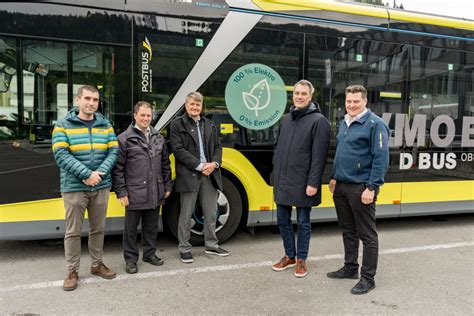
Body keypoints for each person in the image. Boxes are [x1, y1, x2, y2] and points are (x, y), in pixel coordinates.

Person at [52, 85, 119, 291]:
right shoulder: (62, 125)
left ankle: (97, 265)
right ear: (78, 100)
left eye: (95, 100)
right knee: (73, 231)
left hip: (101, 185)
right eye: (88, 98)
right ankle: (72, 271)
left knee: (98, 229)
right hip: (74, 187)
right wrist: (87, 174)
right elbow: (61, 155)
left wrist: (97, 174)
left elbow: (114, 151)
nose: (91, 103)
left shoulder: (106, 125)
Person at [327, 84, 390, 295]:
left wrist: (372, 187)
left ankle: (368, 278)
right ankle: (350, 268)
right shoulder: (345, 122)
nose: (351, 105)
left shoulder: (375, 124)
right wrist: (334, 177)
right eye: (348, 101)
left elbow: (381, 159)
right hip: (342, 185)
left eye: (356, 101)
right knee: (348, 230)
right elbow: (342, 154)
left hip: (361, 187)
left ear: (365, 101)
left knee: (367, 235)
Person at [271, 80, 331, 278]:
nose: (299, 96)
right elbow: (278, 149)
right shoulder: (286, 119)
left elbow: (319, 156)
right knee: (282, 220)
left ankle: (301, 259)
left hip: (305, 182)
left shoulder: (319, 121)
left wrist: (313, 183)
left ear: (310, 96)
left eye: (303, 94)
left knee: (303, 222)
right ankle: (289, 256)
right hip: (284, 180)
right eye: (296, 93)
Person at [112, 101, 172, 274]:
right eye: (143, 115)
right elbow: (118, 169)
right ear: (135, 115)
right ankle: (131, 260)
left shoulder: (158, 137)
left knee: (151, 227)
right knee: (130, 230)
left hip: (156, 191)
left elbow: (165, 164)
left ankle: (149, 254)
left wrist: (167, 185)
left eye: (149, 115)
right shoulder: (124, 138)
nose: (146, 118)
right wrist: (121, 192)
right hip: (134, 192)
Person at [169, 91, 229, 263]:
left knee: (211, 212)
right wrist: (200, 165)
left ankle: (211, 245)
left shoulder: (209, 124)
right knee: (186, 214)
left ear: (201, 107)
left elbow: (218, 146)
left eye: (198, 104)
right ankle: (184, 248)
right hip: (190, 173)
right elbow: (178, 150)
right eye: (191, 104)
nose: (195, 107)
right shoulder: (177, 124)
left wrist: (215, 164)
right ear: (186, 106)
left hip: (210, 174)